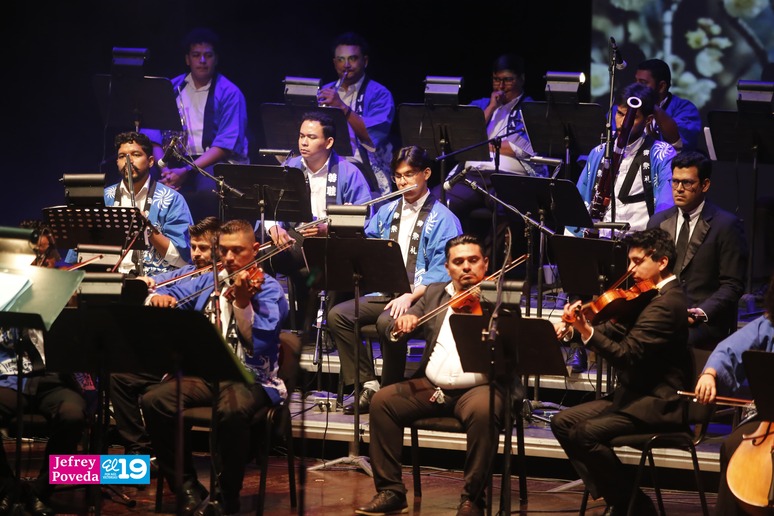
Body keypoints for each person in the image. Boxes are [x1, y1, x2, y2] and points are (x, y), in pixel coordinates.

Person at [356, 234, 520, 516]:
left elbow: (514, 345)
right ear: (447, 267)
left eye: (473, 260)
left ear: (485, 264)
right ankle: (391, 491)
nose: (466, 267)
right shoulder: (435, 294)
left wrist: (490, 305)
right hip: (431, 385)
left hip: (480, 388)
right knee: (382, 402)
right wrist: (402, 323)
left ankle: (472, 500)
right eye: (459, 262)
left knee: (485, 411)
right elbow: (395, 330)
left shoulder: (501, 297)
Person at [141, 219, 288, 515]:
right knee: (155, 400)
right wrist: (155, 297)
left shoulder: (269, 290)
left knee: (232, 410)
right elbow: (171, 294)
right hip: (207, 375)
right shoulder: (209, 280)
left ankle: (225, 497)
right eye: (224, 250)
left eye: (237, 251)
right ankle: (186, 487)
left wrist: (243, 305)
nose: (229, 258)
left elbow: (258, 345)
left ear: (255, 249)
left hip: (251, 379)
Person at [550, 227, 692, 515]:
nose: (630, 269)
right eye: (629, 261)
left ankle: (634, 505)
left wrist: (587, 331)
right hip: (634, 396)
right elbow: (613, 329)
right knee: (562, 422)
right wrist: (573, 330)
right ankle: (619, 497)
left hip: (657, 404)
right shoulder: (647, 295)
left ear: (662, 262)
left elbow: (627, 356)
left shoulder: (667, 304)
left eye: (637, 261)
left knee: (585, 434)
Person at [328, 145, 461, 415]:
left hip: (422, 299)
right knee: (338, 315)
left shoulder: (444, 219)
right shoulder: (387, 211)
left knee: (386, 322)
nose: (403, 182)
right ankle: (368, 384)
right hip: (387, 295)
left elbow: (442, 270)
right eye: (398, 176)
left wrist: (410, 296)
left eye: (409, 175)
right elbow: (368, 247)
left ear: (426, 174)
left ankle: (389, 392)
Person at [109, 216, 221, 459]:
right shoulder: (187, 271)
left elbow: (181, 294)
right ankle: (138, 449)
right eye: (193, 247)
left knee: (158, 395)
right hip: (170, 358)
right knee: (119, 377)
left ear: (219, 248)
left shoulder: (217, 276)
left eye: (203, 248)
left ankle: (167, 455)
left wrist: (163, 296)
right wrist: (149, 290)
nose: (196, 254)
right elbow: (155, 284)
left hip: (195, 366)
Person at [262, 111, 372, 329]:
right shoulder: (289, 168)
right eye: (301, 136)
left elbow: (365, 218)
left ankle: (328, 326)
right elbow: (268, 207)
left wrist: (329, 229)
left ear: (329, 142)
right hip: (295, 242)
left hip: (331, 245)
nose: (304, 142)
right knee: (262, 256)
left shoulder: (349, 172)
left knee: (334, 262)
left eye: (311, 137)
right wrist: (274, 228)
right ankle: (270, 321)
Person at [647, 150, 747, 350]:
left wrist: (700, 312)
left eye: (687, 183)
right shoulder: (658, 222)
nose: (679, 189)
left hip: (703, 321)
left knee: (672, 341)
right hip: (662, 314)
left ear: (705, 185)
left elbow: (732, 285)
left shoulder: (726, 225)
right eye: (675, 182)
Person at [692, 274, 774, 516]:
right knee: (733, 445)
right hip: (770, 419)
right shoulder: (769, 324)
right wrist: (710, 373)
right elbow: (729, 348)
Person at [150, 27, 249, 222]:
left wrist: (187, 171)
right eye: (196, 55)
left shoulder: (230, 93)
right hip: (174, 160)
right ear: (188, 59)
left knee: (207, 193)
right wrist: (165, 170)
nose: (202, 61)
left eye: (208, 55)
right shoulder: (171, 88)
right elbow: (154, 135)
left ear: (216, 59)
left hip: (211, 162)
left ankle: (204, 238)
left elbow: (224, 146)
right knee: (145, 181)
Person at [437, 53, 547, 223]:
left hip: (508, 178)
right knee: (440, 203)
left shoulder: (530, 108)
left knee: (508, 212)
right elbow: (464, 136)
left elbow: (523, 149)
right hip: (472, 176)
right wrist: (491, 107)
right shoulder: (480, 105)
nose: (501, 86)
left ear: (521, 79)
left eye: (507, 80)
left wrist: (479, 146)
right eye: (496, 80)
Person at [65, 131, 193, 277]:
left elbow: (183, 260)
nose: (128, 160)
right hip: (110, 279)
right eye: (122, 156)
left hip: (156, 282)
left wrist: (148, 230)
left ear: (151, 161)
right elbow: (78, 257)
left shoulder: (172, 199)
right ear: (117, 162)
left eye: (136, 155)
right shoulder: (103, 198)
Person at [568, 82, 677, 237]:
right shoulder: (599, 152)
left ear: (648, 120)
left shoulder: (663, 154)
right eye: (620, 113)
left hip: (640, 242)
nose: (622, 123)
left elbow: (666, 207)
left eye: (633, 117)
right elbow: (579, 201)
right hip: (599, 239)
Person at [0, 335, 87, 515]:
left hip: (55, 382)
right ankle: (6, 488)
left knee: (72, 416)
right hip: (9, 380)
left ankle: (40, 491)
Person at [316, 32, 395, 198]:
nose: (346, 65)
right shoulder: (325, 91)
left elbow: (372, 136)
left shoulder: (380, 94)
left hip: (366, 170)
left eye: (352, 59)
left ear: (365, 61)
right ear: (334, 63)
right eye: (341, 59)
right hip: (326, 165)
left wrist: (341, 107)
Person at [634, 59, 702, 152]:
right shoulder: (628, 106)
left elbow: (679, 143)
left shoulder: (685, 108)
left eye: (643, 83)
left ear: (661, 86)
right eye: (636, 81)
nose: (636, 87)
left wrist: (651, 106)